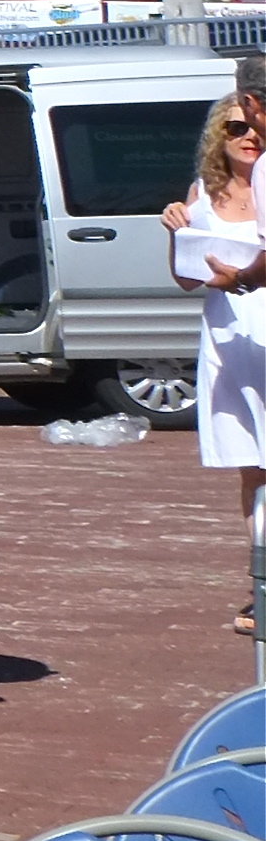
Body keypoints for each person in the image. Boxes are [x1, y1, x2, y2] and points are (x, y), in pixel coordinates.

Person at [166, 103, 266, 593]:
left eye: (254, 126)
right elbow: (186, 278)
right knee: (254, 469)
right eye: (235, 127)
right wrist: (176, 232)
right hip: (230, 340)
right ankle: (262, 585)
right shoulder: (202, 194)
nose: (248, 136)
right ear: (218, 136)